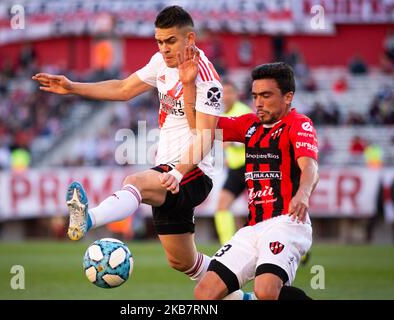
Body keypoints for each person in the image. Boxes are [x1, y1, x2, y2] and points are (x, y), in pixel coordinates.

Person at [32, 6, 244, 299]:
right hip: (168, 171)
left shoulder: (208, 80)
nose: (164, 48)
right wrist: (72, 87)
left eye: (170, 41)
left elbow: (206, 137)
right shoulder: (160, 62)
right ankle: (245, 298)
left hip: (193, 173)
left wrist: (179, 171)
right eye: (159, 41)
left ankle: (87, 219)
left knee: (135, 182)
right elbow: (122, 89)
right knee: (183, 261)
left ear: (190, 39)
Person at [183, 62, 319, 300]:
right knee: (204, 292)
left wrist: (304, 193)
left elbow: (310, 166)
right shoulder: (249, 125)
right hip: (253, 228)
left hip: (287, 222)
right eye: (255, 96)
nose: (258, 102)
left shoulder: (299, 124)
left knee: (265, 291)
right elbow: (198, 124)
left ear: (288, 97)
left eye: (266, 95)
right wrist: (187, 85)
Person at [214, 81, 252, 245]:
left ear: (236, 95)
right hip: (236, 169)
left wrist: (233, 143)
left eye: (230, 92)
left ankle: (298, 248)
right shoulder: (221, 116)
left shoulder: (244, 112)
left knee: (270, 210)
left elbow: (255, 138)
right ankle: (226, 247)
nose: (226, 96)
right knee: (222, 206)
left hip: (252, 166)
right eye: (224, 93)